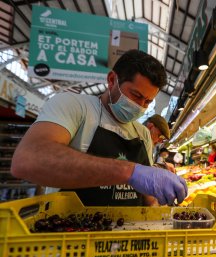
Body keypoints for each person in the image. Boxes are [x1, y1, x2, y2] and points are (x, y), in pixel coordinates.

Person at [11, 50, 187, 206]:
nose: (140, 106)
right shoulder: (74, 106)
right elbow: (28, 159)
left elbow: (147, 198)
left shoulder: (142, 134)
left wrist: (160, 199)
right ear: (112, 80)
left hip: (128, 233)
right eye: (136, 95)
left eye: (148, 101)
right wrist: (129, 171)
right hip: (71, 235)